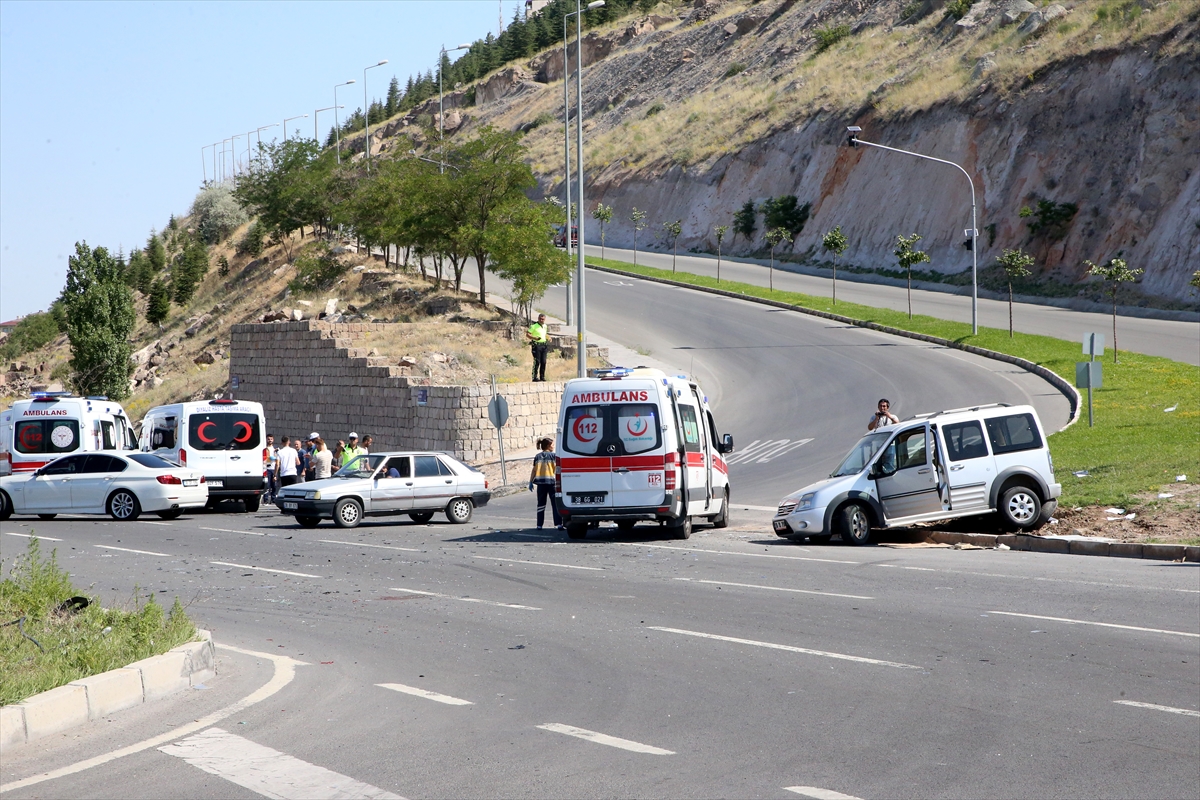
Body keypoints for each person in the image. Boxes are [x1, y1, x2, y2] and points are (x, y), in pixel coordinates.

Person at [528, 437, 562, 530]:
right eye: (552, 445)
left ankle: (539, 525)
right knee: (555, 504)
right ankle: (559, 524)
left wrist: (531, 481)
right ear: (548, 446)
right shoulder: (554, 456)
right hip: (552, 483)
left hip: (541, 484)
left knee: (541, 504)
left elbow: (534, 470)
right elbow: (558, 469)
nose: (553, 446)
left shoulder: (537, 457)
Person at [525, 313, 549, 382]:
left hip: (544, 345)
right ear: (538, 319)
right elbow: (528, 334)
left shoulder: (545, 326)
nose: (541, 320)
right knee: (537, 361)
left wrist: (548, 337)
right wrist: (534, 337)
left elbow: (544, 334)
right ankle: (534, 377)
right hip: (536, 345)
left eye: (543, 319)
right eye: (540, 319)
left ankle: (542, 376)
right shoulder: (534, 326)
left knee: (543, 362)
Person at [263, 434, 279, 502]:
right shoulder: (264, 448)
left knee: (274, 485)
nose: (270, 440)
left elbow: (278, 458)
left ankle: (273, 499)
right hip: (267, 468)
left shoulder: (275, 449)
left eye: (271, 439)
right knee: (267, 485)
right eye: (268, 439)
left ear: (273, 440)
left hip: (274, 468)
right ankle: (266, 499)